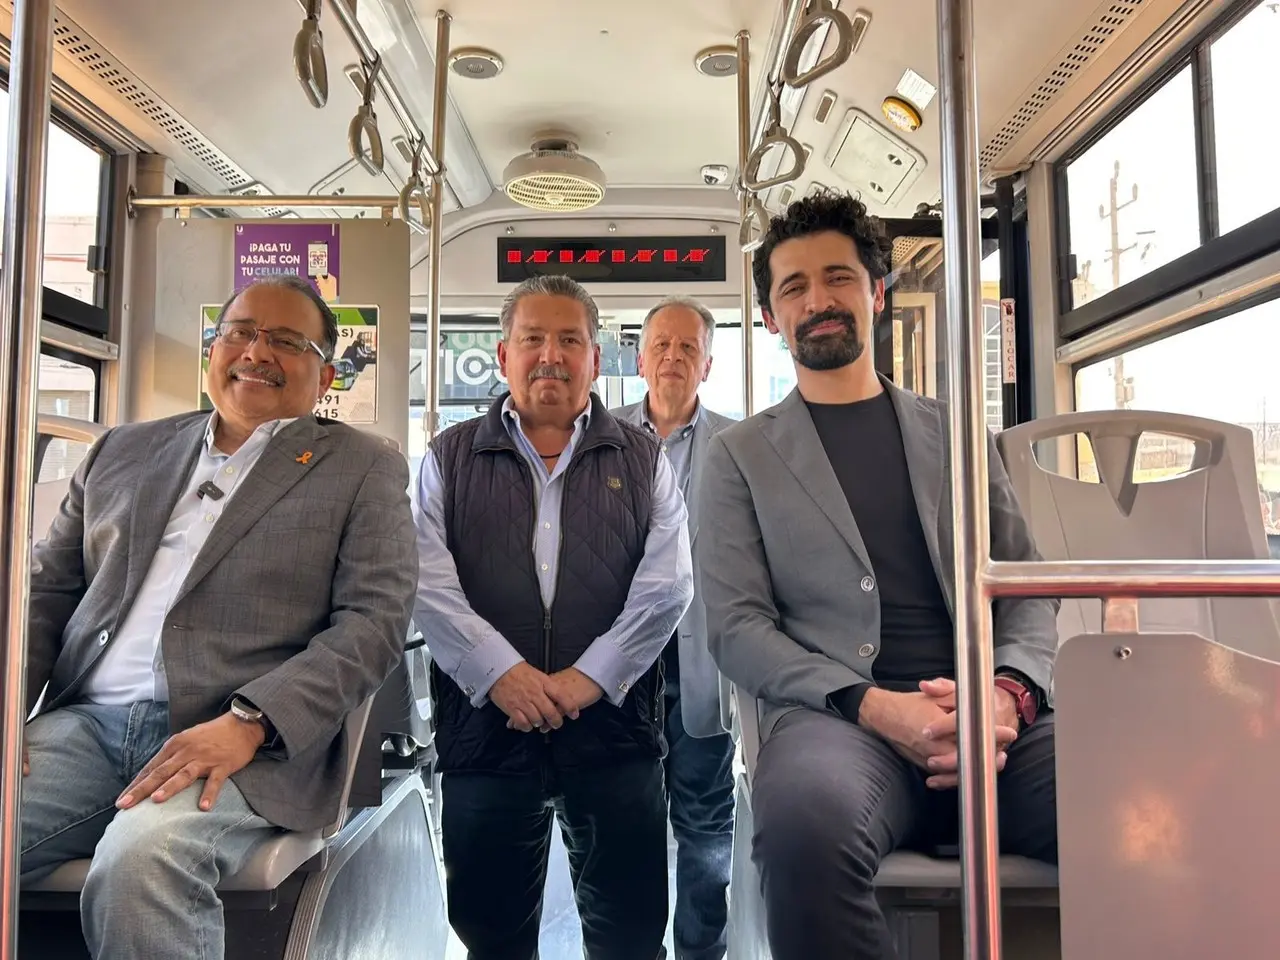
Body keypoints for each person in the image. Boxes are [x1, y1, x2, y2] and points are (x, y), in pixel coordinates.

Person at [699, 191, 1060, 960]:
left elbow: (1021, 584)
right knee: (800, 829)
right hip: (840, 724)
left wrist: (1008, 695)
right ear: (769, 317)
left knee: (1144, 800)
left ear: (877, 293)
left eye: (838, 278)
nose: (818, 300)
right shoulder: (739, 458)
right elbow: (736, 629)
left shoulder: (958, 432)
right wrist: (873, 705)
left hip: (989, 720)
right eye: (793, 287)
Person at [19, 274, 418, 959]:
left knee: (144, 860)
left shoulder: (360, 469)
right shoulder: (122, 451)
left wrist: (250, 722)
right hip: (85, 726)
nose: (256, 351)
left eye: (286, 341)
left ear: (324, 374)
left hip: (239, 741)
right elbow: (47, 593)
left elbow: (372, 624)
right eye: (239, 332)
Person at [413, 273, 695, 960]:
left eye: (570, 340)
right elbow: (423, 579)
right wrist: (501, 673)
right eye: (532, 338)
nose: (551, 355)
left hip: (614, 731)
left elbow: (667, 584)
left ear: (596, 360)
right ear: (503, 354)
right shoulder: (449, 457)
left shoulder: (642, 457)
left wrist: (586, 679)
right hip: (485, 729)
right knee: (489, 934)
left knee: (629, 933)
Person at [613, 296, 736, 960]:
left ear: (708, 365)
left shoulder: (740, 447)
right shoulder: (597, 440)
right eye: (661, 345)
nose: (672, 358)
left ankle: (700, 950)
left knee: (706, 825)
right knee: (624, 825)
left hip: (703, 671)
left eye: (688, 348)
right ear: (639, 359)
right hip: (620, 672)